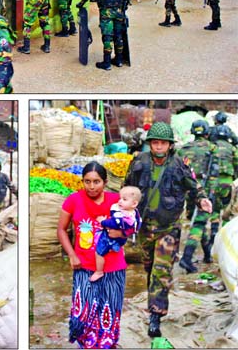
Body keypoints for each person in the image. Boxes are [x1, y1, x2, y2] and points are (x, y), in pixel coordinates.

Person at [124, 121, 212, 338]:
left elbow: (194, 186)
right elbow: (126, 188)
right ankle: (153, 303)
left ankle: (155, 316)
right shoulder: (139, 162)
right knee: (150, 268)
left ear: (170, 145)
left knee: (161, 271)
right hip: (145, 226)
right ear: (150, 144)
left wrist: (202, 200)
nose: (159, 147)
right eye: (155, 143)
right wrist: (122, 210)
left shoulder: (179, 164)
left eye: (163, 143)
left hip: (168, 227)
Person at [57, 161, 127, 349]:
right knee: (84, 314)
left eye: (96, 181)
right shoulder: (73, 200)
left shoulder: (116, 201)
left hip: (113, 268)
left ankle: (106, 345)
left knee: (109, 312)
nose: (91, 186)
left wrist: (121, 233)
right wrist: (71, 254)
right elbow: (61, 230)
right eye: (87, 181)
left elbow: (132, 224)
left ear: (104, 182)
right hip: (84, 267)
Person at [177, 120, 219, 272]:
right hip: (203, 190)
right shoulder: (212, 148)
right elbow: (214, 174)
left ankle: (207, 254)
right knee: (199, 224)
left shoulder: (183, 149)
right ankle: (187, 258)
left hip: (188, 189)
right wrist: (210, 194)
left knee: (196, 221)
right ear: (207, 133)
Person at [77, 0, 130, 70]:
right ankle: (119, 60)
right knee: (118, 36)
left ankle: (107, 63)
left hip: (106, 13)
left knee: (107, 37)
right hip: (120, 13)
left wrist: (80, 4)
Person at [90, 185, 142, 282]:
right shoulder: (134, 213)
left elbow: (113, 223)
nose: (120, 201)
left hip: (111, 237)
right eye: (120, 198)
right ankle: (115, 246)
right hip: (123, 238)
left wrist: (102, 221)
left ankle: (99, 271)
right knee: (116, 243)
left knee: (99, 253)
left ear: (134, 203)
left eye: (124, 199)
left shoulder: (121, 216)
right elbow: (138, 224)